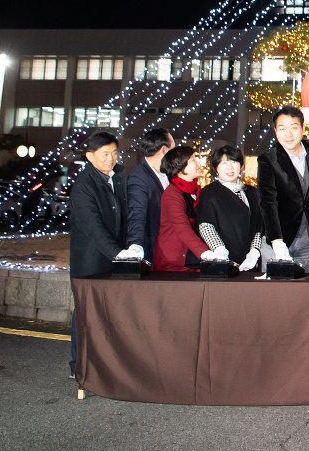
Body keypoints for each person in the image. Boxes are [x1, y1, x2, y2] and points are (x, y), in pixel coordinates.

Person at [69, 131, 128, 377]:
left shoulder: (118, 177)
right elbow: (93, 227)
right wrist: (119, 254)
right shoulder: (84, 185)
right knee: (85, 313)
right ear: (90, 156)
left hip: (113, 258)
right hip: (91, 260)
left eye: (114, 153)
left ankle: (105, 363)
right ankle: (78, 365)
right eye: (105, 154)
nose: (110, 159)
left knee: (109, 314)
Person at [257, 105, 309, 269]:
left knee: (308, 289)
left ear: (303, 128)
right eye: (282, 129)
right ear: (275, 131)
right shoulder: (268, 159)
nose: (288, 135)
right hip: (281, 238)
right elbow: (268, 202)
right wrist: (277, 241)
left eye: (293, 128)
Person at [153, 145, 224, 272]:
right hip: (174, 262)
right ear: (180, 167)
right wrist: (206, 254)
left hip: (191, 259)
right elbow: (182, 228)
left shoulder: (195, 190)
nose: (198, 163)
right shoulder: (172, 194)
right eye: (192, 160)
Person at [196, 145, 263, 272]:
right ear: (216, 167)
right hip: (222, 260)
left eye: (234, 162)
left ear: (241, 166)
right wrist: (220, 251)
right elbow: (205, 225)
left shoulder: (252, 192)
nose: (230, 167)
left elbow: (259, 226)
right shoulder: (209, 192)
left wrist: (254, 251)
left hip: (249, 261)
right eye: (224, 163)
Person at [123, 127, 173, 260]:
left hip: (169, 246)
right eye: (173, 149)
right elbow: (136, 214)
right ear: (164, 150)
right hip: (152, 249)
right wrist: (135, 245)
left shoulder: (168, 173)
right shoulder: (138, 178)